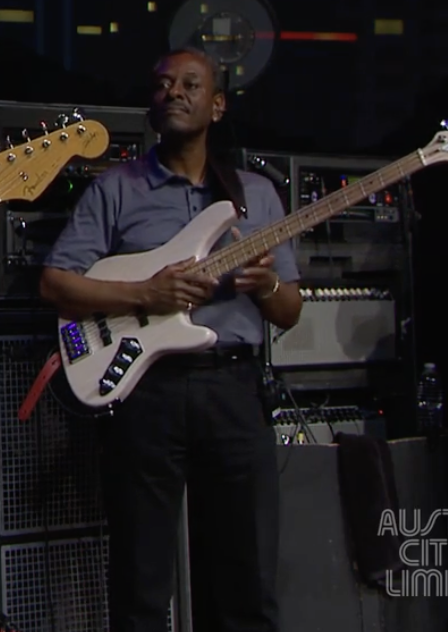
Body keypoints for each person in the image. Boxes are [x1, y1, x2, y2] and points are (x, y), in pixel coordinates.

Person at [38, 47, 302, 632]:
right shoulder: (116, 189)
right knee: (141, 580)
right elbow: (55, 283)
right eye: (162, 84)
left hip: (233, 389)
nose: (174, 92)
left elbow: (289, 312)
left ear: (218, 105)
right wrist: (145, 294)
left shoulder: (256, 195)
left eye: (189, 84)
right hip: (147, 393)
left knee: (246, 579)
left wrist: (266, 284)